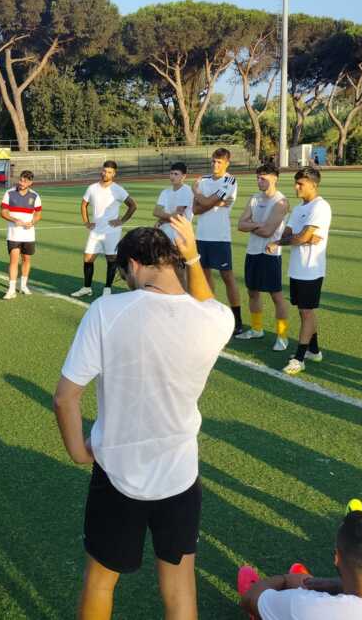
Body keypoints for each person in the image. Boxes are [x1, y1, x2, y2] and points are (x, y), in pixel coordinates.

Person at [54, 217, 233, 620]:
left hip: (117, 471)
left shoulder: (106, 311)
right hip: (180, 473)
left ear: (132, 265)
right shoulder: (217, 321)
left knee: (101, 581)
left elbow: (66, 398)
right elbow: (207, 302)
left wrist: (78, 453)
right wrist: (194, 257)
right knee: (180, 585)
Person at [239, 511, 362, 620]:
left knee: (267, 603)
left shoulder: (306, 606)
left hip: (296, 603)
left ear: (337, 558)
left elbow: (249, 599)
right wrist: (329, 584)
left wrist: (285, 580)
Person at [266, 167, 332, 376]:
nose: (296, 187)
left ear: (313, 184)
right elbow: (292, 233)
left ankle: (300, 357)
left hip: (311, 270)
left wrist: (283, 241)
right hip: (297, 268)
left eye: (300, 184)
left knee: (306, 311)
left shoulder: (320, 207)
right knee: (305, 311)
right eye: (296, 183)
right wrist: (297, 238)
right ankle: (314, 350)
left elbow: (300, 237)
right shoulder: (298, 209)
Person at [235, 163, 291, 351]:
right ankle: (257, 329)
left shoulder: (281, 201)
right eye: (257, 177)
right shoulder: (254, 198)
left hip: (270, 254)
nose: (259, 181)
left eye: (263, 178)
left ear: (274, 178)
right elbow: (240, 225)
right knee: (252, 291)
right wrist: (258, 224)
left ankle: (282, 336)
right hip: (252, 252)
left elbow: (268, 232)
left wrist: (253, 224)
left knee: (276, 295)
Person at [193, 148, 243, 334]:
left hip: (220, 237)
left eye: (219, 162)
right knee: (204, 277)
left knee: (227, 277)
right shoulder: (203, 180)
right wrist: (211, 202)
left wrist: (198, 195)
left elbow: (203, 203)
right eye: (214, 161)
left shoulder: (230, 180)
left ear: (227, 163)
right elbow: (196, 209)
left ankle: (238, 320)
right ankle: (210, 314)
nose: (215, 165)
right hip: (201, 236)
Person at [70, 161, 137, 298]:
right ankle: (87, 288)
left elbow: (132, 205)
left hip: (111, 231)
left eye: (109, 172)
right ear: (102, 171)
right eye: (104, 171)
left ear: (114, 174)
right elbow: (84, 205)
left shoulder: (118, 189)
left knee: (111, 259)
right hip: (95, 231)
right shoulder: (92, 188)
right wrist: (86, 222)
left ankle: (107, 289)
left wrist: (121, 220)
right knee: (88, 258)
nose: (106, 174)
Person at [0, 170, 43, 299]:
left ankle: (23, 286)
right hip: (14, 234)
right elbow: (3, 212)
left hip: (28, 235)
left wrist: (33, 222)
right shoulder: (9, 193)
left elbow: (38, 215)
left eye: (25, 181)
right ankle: (11, 289)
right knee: (13, 260)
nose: (21, 183)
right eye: (21, 180)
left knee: (26, 259)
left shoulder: (35, 196)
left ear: (30, 182)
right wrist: (14, 220)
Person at [152, 162, 194, 244]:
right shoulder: (165, 192)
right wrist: (165, 219)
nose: (172, 176)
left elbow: (178, 215)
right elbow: (156, 212)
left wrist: (161, 220)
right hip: (164, 234)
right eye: (171, 173)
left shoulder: (187, 191)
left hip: (180, 235)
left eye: (176, 174)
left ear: (184, 176)